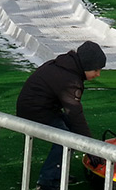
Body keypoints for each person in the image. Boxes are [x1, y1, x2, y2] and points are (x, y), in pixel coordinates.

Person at [16, 41, 106, 190]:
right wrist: (91, 149)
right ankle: (47, 181)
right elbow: (75, 115)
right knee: (65, 138)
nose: (98, 74)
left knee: (72, 132)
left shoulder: (67, 66)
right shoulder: (70, 79)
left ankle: (57, 173)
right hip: (34, 112)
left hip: (41, 108)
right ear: (86, 65)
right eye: (96, 70)